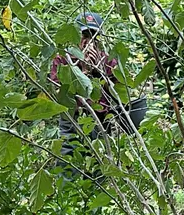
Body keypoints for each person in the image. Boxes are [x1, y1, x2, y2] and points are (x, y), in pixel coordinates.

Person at [49, 12, 145, 158]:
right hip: (72, 120)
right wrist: (83, 70)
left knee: (99, 165)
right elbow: (58, 94)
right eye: (84, 35)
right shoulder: (62, 60)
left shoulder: (107, 61)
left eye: (92, 35)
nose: (87, 41)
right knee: (69, 164)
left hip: (100, 120)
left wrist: (99, 72)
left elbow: (119, 95)